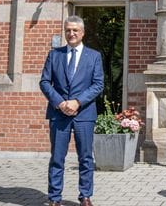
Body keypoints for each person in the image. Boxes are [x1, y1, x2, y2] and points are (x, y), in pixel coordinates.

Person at [40, 15, 104, 206]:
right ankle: (54, 198)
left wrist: (77, 101)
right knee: (57, 157)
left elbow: (98, 84)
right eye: (68, 30)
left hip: (84, 114)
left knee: (85, 158)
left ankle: (85, 196)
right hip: (59, 114)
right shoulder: (54, 55)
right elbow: (44, 82)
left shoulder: (94, 56)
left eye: (75, 30)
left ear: (82, 32)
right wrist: (60, 103)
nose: (71, 33)